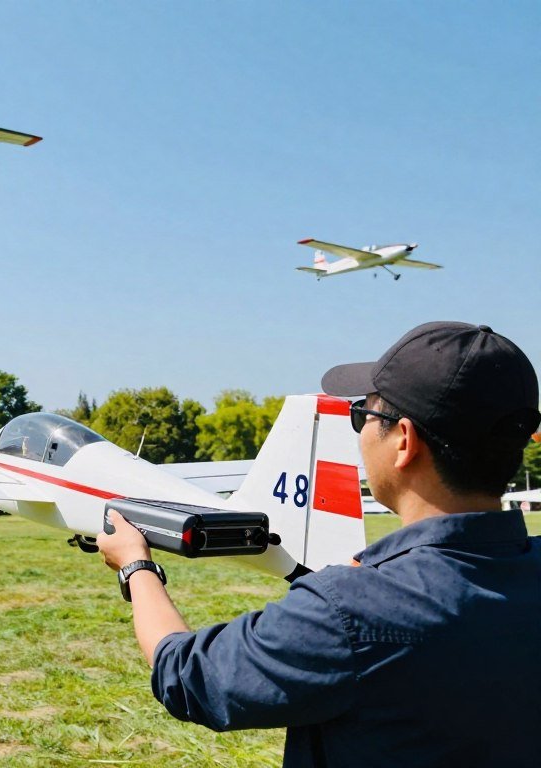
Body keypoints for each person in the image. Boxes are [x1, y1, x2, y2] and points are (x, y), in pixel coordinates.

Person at [98, 321, 541, 767]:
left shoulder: (348, 611)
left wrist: (136, 567)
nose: (361, 430)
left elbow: (188, 676)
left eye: (363, 415)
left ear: (404, 441)